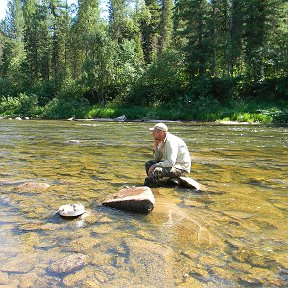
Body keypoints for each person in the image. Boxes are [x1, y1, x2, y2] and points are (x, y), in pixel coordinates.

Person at [144, 123, 191, 187]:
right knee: (149, 164)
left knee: (157, 170)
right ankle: (157, 184)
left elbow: (171, 162)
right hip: (172, 165)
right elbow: (158, 159)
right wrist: (156, 147)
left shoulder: (171, 141)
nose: (152, 133)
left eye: (154, 131)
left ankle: (151, 186)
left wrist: (154, 166)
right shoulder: (162, 140)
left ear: (161, 132)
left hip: (181, 168)